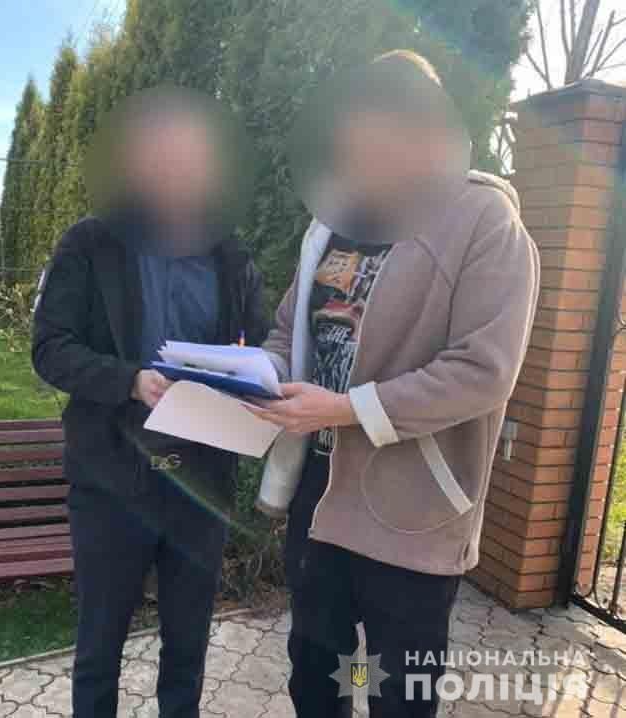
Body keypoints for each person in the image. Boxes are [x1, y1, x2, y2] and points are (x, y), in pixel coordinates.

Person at [248, 50, 540, 718]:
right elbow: (290, 330)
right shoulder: (331, 226)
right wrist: (258, 374)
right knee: (317, 679)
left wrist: (347, 409)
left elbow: (484, 370)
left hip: (413, 510)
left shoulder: (485, 221)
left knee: (396, 695)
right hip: (318, 495)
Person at [32, 89, 267, 718]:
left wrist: (247, 370)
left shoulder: (230, 254)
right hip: (112, 480)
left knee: (187, 650)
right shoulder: (90, 243)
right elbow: (49, 348)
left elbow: (259, 339)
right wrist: (130, 379)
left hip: (201, 482)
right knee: (99, 649)